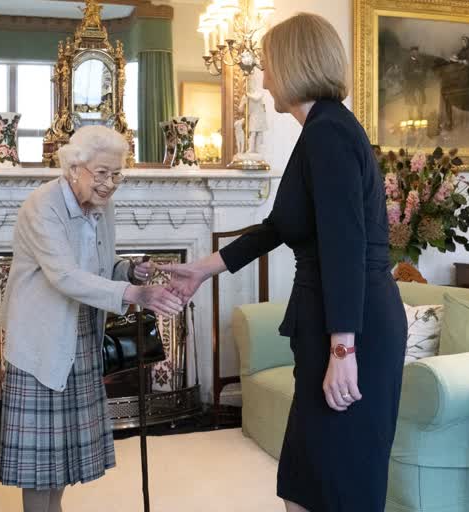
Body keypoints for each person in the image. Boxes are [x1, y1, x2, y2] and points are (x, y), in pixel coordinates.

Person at [162, 13, 407, 512]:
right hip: (332, 321)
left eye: (269, 65)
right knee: (306, 480)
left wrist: (343, 350)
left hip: (351, 327)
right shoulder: (320, 130)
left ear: (295, 64)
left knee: (337, 485)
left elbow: (344, 246)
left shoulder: (328, 134)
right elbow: (280, 226)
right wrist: (202, 269)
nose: (264, 76)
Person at [0, 125, 183, 512]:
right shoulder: (41, 206)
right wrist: (134, 295)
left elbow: (97, 266)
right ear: (74, 167)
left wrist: (129, 272)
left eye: (117, 174)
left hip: (81, 332)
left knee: (63, 451)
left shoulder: (101, 206)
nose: (110, 183)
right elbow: (64, 275)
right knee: (40, 461)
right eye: (102, 173)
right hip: (41, 338)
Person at [403, 46, 427, 120]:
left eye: (416, 52)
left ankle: (420, 116)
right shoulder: (407, 62)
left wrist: (422, 73)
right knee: (410, 102)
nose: (415, 53)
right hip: (410, 84)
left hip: (419, 84)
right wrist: (414, 72)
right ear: (411, 53)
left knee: (420, 101)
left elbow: (424, 72)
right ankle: (410, 118)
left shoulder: (420, 61)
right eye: (413, 52)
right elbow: (405, 73)